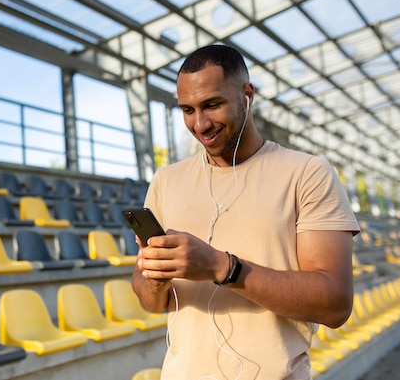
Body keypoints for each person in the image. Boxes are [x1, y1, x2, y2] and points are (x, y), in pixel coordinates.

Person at [132, 44, 359, 379]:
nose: (200, 124)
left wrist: (219, 266)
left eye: (212, 105)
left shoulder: (308, 173)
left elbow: (335, 304)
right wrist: (155, 280)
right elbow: (149, 301)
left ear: (247, 95)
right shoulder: (165, 181)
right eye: (188, 110)